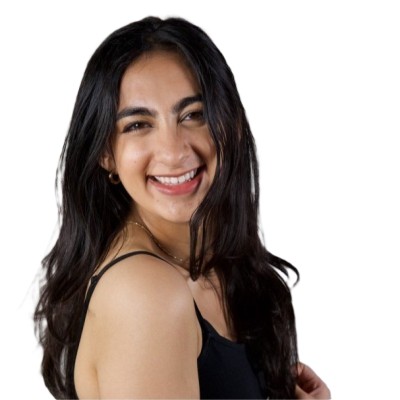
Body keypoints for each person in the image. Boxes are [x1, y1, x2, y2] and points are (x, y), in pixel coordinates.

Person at [34, 16, 330, 399]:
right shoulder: (146, 293)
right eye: (138, 125)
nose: (173, 152)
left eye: (193, 115)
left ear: (232, 125)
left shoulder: (222, 264)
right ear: (106, 153)